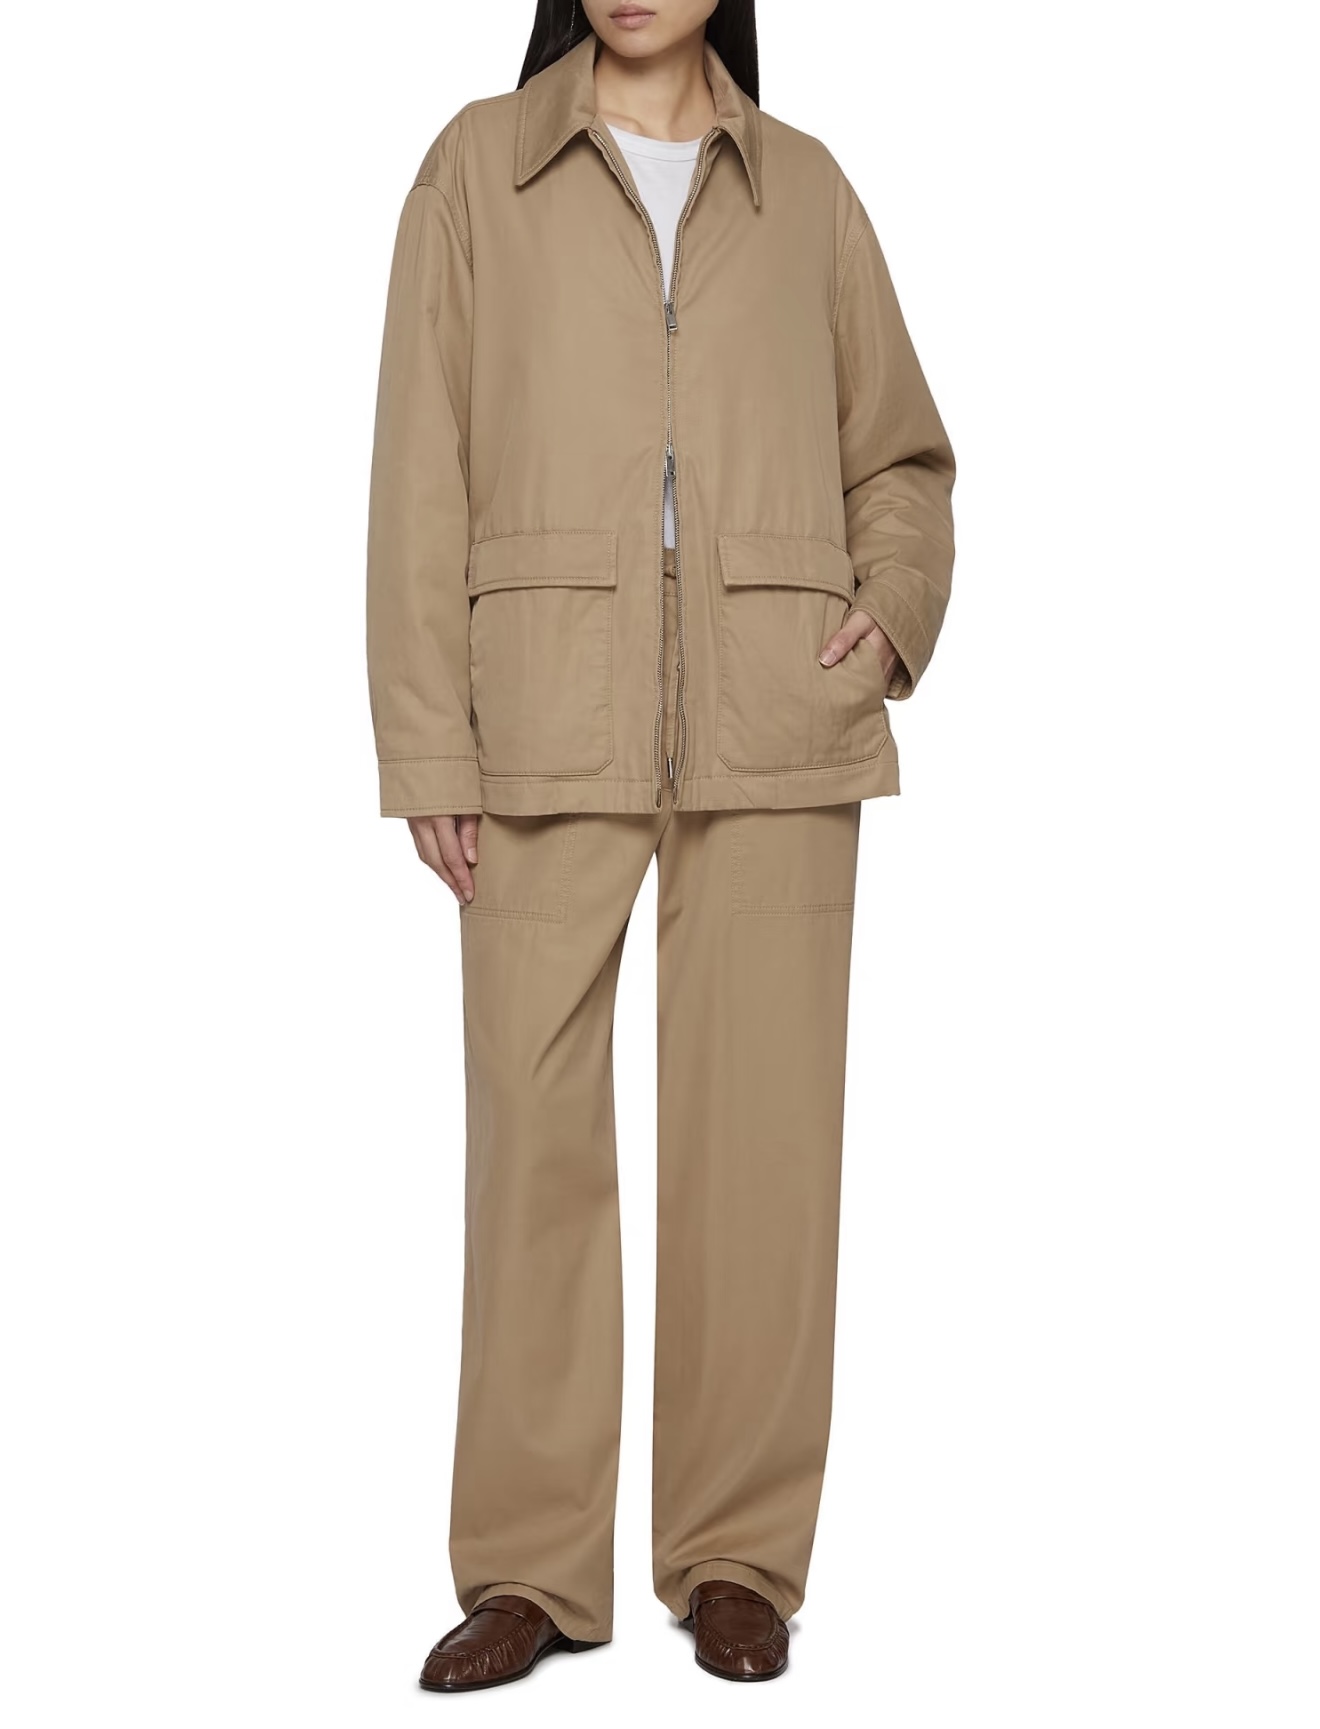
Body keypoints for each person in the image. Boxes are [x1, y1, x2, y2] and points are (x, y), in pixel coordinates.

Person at [365, 0, 955, 1690]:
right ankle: (529, 1567)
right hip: (542, 706)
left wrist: (892, 606)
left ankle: (737, 1555)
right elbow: (419, 472)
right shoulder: (476, 171)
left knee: (762, 1153)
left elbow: (901, 457)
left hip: (781, 714)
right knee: (531, 1141)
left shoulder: (811, 192)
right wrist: (428, 739)